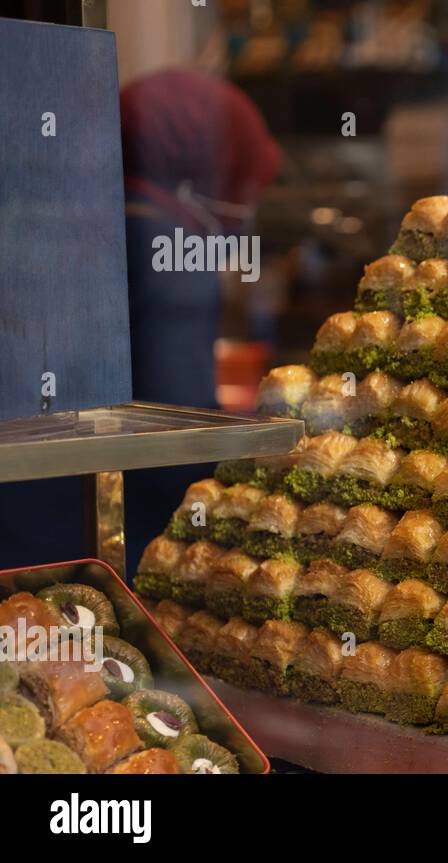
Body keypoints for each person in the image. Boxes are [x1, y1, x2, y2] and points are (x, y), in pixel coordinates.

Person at [0, 69, 282, 575]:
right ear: (211, 164)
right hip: (105, 553)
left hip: (19, 542)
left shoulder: (48, 230)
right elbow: (178, 449)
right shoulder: (171, 254)